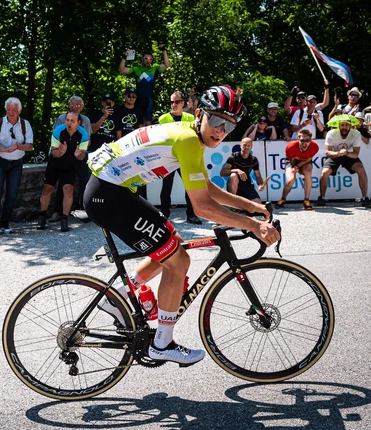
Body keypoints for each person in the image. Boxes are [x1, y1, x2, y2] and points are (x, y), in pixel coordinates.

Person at [84, 86, 279, 366]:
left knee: (170, 243)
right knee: (178, 261)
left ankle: (120, 296)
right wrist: (251, 225)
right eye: (216, 120)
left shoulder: (191, 133)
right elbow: (202, 207)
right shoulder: (188, 139)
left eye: (229, 125)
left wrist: (249, 206)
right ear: (200, 114)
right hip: (108, 196)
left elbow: (206, 187)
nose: (220, 130)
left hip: (114, 190)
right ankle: (162, 343)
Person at [0, 97, 34, 236]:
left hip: (17, 163)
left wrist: (19, 146)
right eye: (8, 110)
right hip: (0, 161)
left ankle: (4, 224)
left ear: (19, 111)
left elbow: (30, 146)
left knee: (12, 196)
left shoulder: (25, 124)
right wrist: (4, 149)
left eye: (13, 110)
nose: (11, 112)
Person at [38, 111, 88, 232]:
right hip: (55, 161)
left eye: (72, 121)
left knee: (68, 190)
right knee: (47, 189)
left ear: (78, 123)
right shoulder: (58, 131)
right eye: (67, 120)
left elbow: (82, 157)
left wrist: (78, 155)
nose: (69, 123)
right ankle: (42, 215)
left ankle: (64, 219)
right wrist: (61, 152)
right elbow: (54, 152)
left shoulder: (83, 134)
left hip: (71, 163)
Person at [157, 91, 200, 224]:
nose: (173, 104)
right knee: (166, 187)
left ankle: (192, 214)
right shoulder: (163, 118)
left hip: (184, 157)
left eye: (176, 102)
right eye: (171, 102)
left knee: (190, 186)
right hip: (169, 157)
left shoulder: (189, 118)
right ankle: (164, 215)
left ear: (183, 103)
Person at [49, 96, 92, 220]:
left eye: (78, 105)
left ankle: (86, 210)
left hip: (81, 154)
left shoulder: (86, 120)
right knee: (63, 183)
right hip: (64, 155)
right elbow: (55, 137)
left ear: (82, 107)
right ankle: (58, 212)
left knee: (85, 180)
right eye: (72, 104)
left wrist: (80, 151)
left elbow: (88, 140)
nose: (75, 107)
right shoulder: (61, 118)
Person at [316, 116, 370, 208]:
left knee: (361, 170)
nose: (344, 127)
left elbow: (356, 154)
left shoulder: (356, 133)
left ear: (350, 126)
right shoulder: (331, 133)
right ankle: (322, 198)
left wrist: (346, 153)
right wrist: (338, 153)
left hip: (349, 155)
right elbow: (327, 152)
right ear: (338, 126)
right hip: (335, 155)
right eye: (342, 125)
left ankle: (365, 198)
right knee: (323, 174)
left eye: (347, 125)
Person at [119, 46, 170, 125]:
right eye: (146, 58)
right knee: (138, 122)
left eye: (150, 59)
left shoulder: (154, 69)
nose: (147, 61)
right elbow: (122, 69)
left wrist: (164, 50)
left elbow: (167, 65)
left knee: (148, 122)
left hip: (148, 99)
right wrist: (124, 57)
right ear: (142, 59)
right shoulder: (136, 69)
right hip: (138, 99)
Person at [275, 130, 319, 210]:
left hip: (305, 162)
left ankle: (306, 200)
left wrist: (298, 166)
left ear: (311, 140)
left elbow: (308, 159)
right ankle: (283, 198)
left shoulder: (314, 147)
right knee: (291, 179)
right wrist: (294, 167)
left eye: (307, 141)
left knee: (308, 173)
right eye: (302, 140)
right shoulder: (290, 147)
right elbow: (290, 159)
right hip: (292, 161)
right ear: (298, 139)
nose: (304, 143)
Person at [220, 137, 268, 204]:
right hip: (234, 185)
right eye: (245, 145)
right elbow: (222, 173)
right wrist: (237, 170)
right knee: (233, 175)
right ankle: (232, 203)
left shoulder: (253, 159)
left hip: (247, 185)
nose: (246, 147)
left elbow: (258, 177)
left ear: (251, 147)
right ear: (241, 146)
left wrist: (260, 185)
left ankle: (242, 207)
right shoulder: (233, 157)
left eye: (249, 146)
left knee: (258, 202)